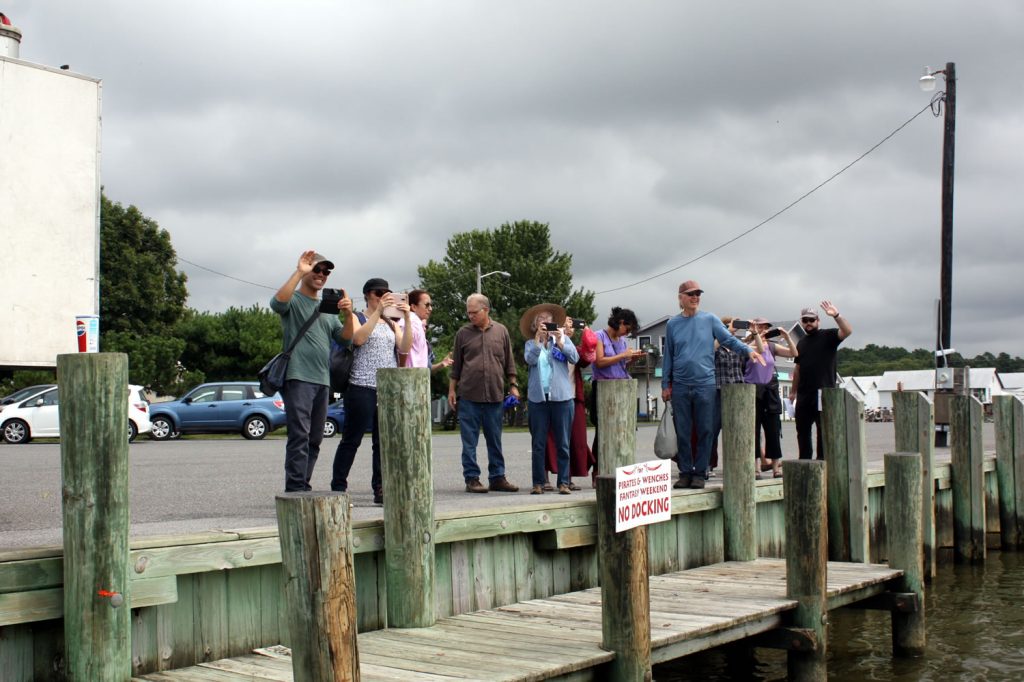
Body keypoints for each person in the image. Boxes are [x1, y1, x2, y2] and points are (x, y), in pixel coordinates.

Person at [661, 280, 763, 489]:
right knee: (683, 431)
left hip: (705, 384)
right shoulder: (672, 324)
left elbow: (729, 340)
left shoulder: (710, 319)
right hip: (680, 385)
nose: (695, 297)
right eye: (690, 294)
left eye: (698, 294)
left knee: (706, 430)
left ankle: (700, 472)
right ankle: (685, 472)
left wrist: (748, 351)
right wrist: (665, 384)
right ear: (680, 298)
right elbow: (668, 355)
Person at [270, 251, 351, 492]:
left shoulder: (327, 308)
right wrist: (299, 272)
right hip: (298, 377)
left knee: (315, 438)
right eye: (317, 269)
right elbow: (277, 303)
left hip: (322, 380)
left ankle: (303, 484)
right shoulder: (294, 300)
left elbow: (346, 340)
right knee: (300, 434)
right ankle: (295, 487)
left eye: (326, 272)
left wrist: (348, 315)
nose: (322, 275)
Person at [330, 278, 413, 504]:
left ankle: (380, 487)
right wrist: (377, 312)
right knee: (352, 439)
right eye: (378, 293)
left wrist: (406, 317)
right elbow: (358, 339)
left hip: (386, 389)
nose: (382, 296)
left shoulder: (391, 323)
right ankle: (338, 486)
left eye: (387, 293)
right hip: (361, 386)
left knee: (382, 442)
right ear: (367, 294)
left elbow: (405, 347)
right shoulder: (357, 317)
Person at [448, 293, 521, 494]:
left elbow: (509, 362)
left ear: (486, 310)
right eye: (468, 313)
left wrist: (513, 385)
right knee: (469, 442)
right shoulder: (463, 333)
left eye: (474, 312)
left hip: (495, 395)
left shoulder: (501, 331)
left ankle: (497, 477)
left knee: (495, 440)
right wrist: (452, 390)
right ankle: (472, 478)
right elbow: (456, 366)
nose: (470, 316)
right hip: (468, 396)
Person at [521, 304, 579, 495]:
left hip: (562, 397)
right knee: (538, 443)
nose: (544, 321)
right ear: (535, 325)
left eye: (547, 318)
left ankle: (563, 482)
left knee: (563, 443)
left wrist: (561, 341)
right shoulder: (530, 344)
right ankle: (538, 483)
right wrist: (538, 341)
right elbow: (530, 360)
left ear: (554, 322)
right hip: (538, 399)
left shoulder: (563, 339)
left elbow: (575, 358)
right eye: (540, 319)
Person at [790, 301, 853, 460]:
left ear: (818, 321)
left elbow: (847, 331)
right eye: (805, 320)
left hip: (823, 393)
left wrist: (836, 315)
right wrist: (793, 392)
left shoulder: (828, 335)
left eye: (812, 320)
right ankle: (805, 462)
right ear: (802, 322)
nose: (808, 323)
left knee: (823, 429)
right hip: (804, 393)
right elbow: (797, 369)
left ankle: (822, 462)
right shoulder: (801, 342)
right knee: (802, 430)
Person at [589, 307, 643, 485]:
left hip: (621, 387)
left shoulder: (621, 341)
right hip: (603, 387)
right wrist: (623, 355)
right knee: (602, 431)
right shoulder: (599, 336)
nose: (627, 333)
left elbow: (621, 364)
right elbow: (599, 361)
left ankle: (619, 468)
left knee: (621, 431)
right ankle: (598, 470)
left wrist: (631, 359)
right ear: (620, 322)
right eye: (627, 329)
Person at [544, 318, 594, 490]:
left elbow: (585, 359)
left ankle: (567, 477)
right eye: (563, 325)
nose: (567, 328)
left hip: (572, 395)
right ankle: (543, 478)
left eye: (569, 326)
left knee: (573, 439)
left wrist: (585, 334)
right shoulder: (548, 343)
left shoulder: (572, 346)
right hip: (551, 396)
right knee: (547, 437)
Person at [744, 317, 797, 478]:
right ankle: (756, 468)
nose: (763, 330)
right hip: (752, 390)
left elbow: (794, 354)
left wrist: (787, 337)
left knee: (773, 430)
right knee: (753, 431)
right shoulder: (747, 345)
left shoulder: (772, 346)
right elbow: (756, 349)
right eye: (759, 327)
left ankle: (775, 468)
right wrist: (755, 335)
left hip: (770, 390)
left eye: (765, 327)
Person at [402, 289, 453, 371]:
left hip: (414, 374)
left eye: (430, 305)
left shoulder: (413, 321)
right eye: (427, 305)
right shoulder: (413, 322)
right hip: (412, 375)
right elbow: (403, 351)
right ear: (414, 307)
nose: (430, 309)